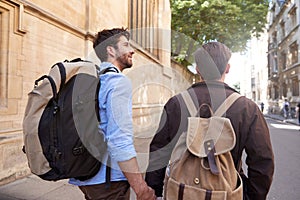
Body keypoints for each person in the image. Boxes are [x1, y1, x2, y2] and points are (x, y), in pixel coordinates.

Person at [145, 42, 274, 200]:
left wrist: (155, 191)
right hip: (226, 192)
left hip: (180, 191)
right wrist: (252, 196)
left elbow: (158, 153)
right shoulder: (247, 108)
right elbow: (262, 161)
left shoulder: (176, 103)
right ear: (227, 68)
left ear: (198, 69)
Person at [69, 28, 156, 200]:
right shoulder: (118, 82)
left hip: (86, 177)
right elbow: (120, 140)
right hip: (108, 182)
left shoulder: (94, 79)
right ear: (110, 50)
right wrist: (141, 189)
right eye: (125, 45)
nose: (132, 50)